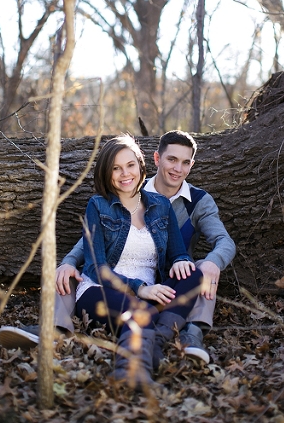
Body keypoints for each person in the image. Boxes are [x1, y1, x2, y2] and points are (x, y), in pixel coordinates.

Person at [0, 130, 235, 364]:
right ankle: (54, 329)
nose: (177, 169)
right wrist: (69, 261)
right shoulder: (122, 195)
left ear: (191, 165)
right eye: (171, 159)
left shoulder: (194, 201)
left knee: (201, 270)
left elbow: (220, 242)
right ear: (156, 159)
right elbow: (92, 244)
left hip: (166, 279)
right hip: (118, 281)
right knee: (70, 273)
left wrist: (210, 261)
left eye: (185, 163)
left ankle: (191, 335)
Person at [77, 135, 203, 385]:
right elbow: (95, 267)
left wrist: (179, 260)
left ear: (140, 165)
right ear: (106, 172)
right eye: (116, 168)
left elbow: (178, 252)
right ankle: (131, 373)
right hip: (101, 290)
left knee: (194, 274)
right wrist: (140, 289)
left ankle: (154, 340)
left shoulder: (160, 205)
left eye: (130, 165)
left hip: (150, 295)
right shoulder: (98, 206)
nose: (125, 174)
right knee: (141, 311)